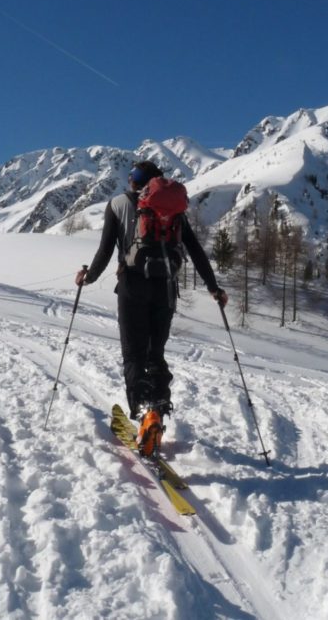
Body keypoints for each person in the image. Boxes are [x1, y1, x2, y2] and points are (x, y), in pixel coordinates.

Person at [76, 160, 228, 455]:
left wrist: (89, 276)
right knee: (154, 353)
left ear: (133, 180)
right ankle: (156, 410)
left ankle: (144, 412)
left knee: (133, 354)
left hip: (132, 286)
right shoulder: (173, 211)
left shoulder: (118, 204)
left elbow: (106, 250)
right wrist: (213, 287)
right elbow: (195, 251)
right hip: (166, 289)